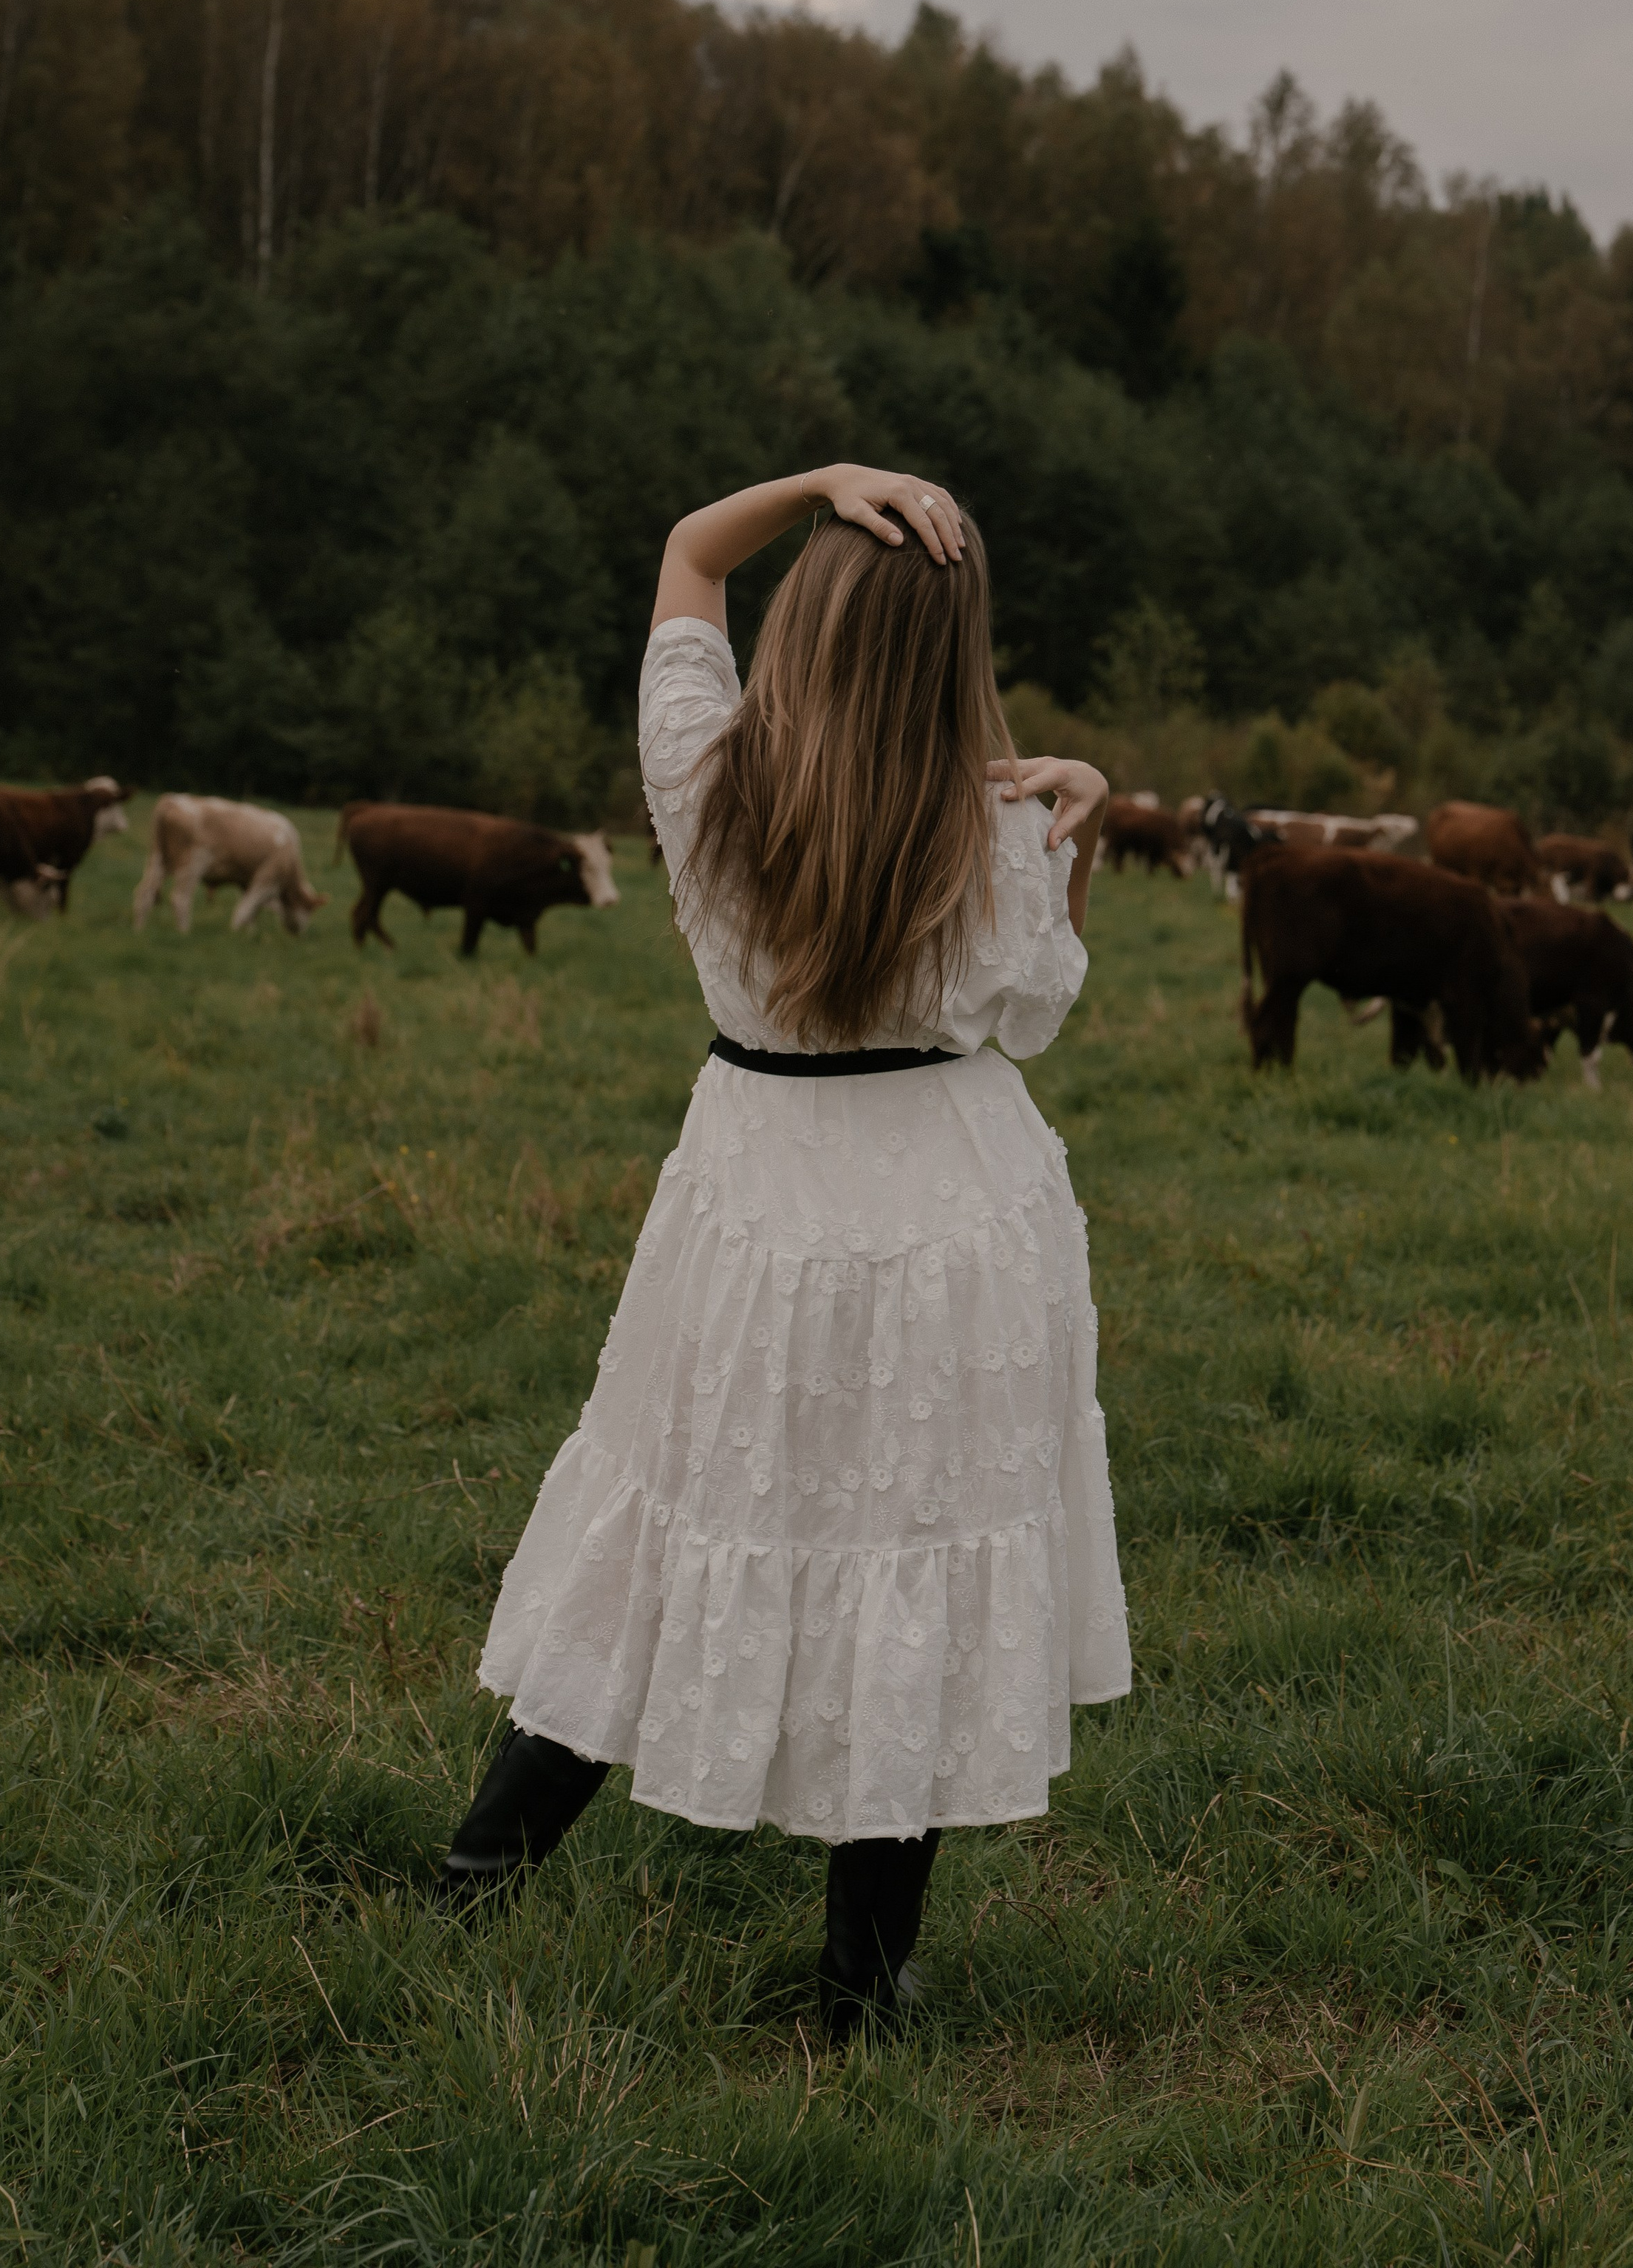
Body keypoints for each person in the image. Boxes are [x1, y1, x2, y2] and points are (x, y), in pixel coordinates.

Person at [439, 463, 1132, 2037]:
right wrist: (1056, 823)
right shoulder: (993, 833)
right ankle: (860, 1988)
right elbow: (1030, 1010)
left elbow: (689, 548)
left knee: (676, 1510)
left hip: (759, 1199)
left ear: (802, 629)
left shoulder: (700, 774)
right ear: (962, 660)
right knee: (912, 1556)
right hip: (957, 1212)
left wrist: (826, 481)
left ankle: (482, 1874)